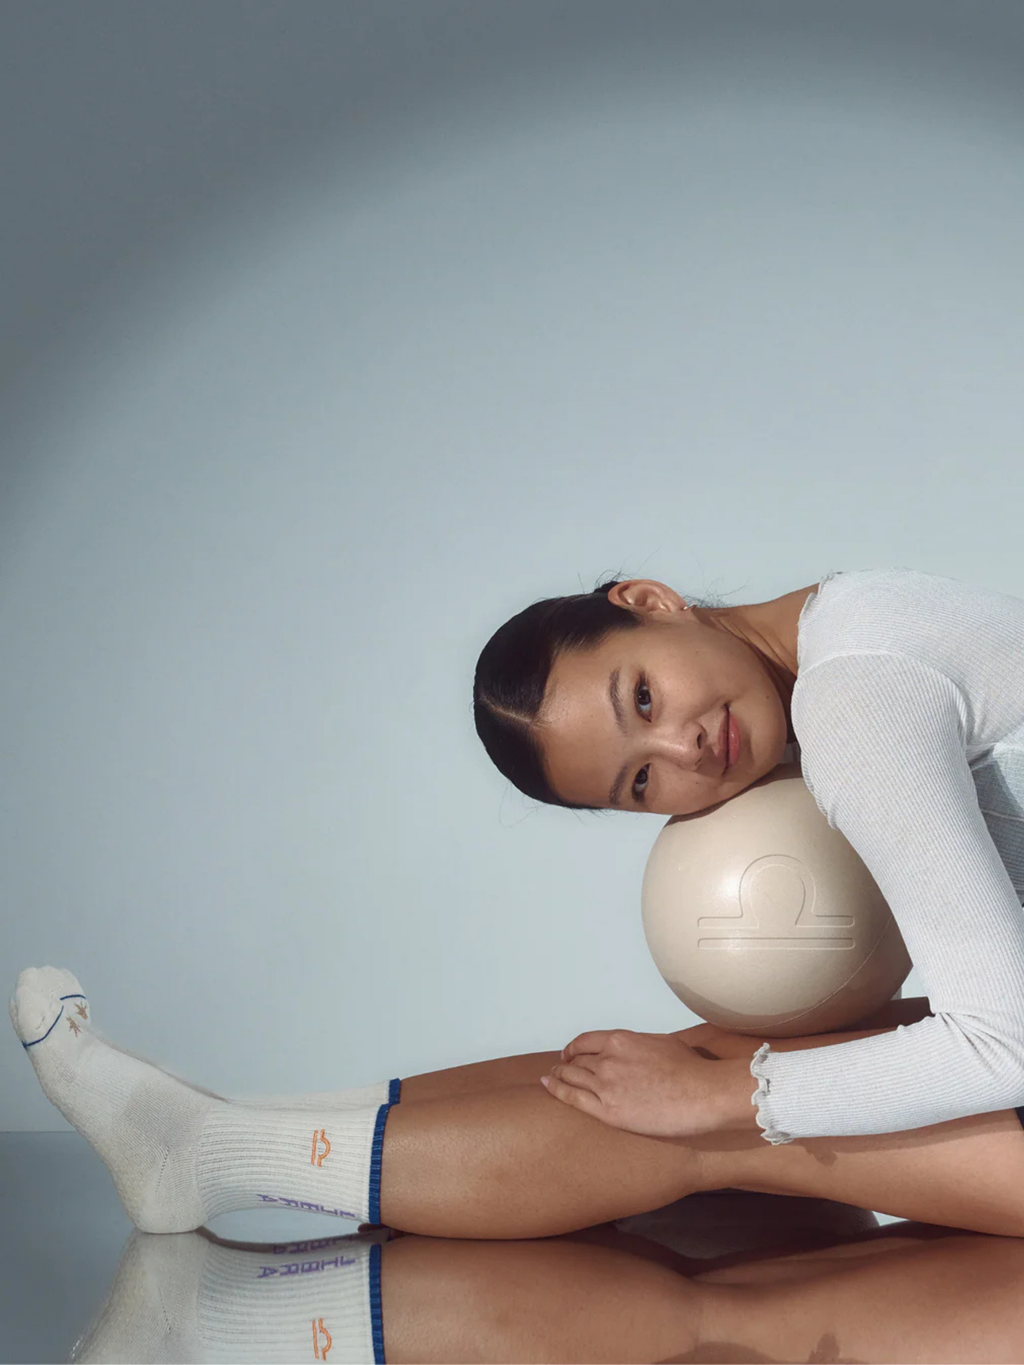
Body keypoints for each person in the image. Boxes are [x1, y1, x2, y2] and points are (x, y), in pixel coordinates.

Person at [11, 566, 1024, 1358]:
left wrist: (722, 1105)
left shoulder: (855, 704)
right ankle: (224, 1130)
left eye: (640, 695)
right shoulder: (854, 618)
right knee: (706, 1061)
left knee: (702, 1120)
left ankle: (217, 1158)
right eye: (639, 781)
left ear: (649, 602)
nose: (686, 750)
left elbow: (999, 1045)